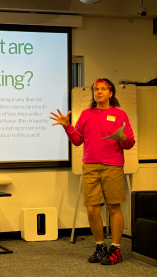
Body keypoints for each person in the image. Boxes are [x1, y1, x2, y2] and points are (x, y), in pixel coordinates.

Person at [50, 78, 135, 265]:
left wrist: (122, 139)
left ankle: (116, 249)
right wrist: (67, 126)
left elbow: (130, 142)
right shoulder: (87, 114)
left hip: (113, 166)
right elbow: (77, 140)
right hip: (90, 166)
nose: (99, 92)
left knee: (113, 207)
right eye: (96, 89)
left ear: (111, 93)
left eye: (103, 89)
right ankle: (100, 246)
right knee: (91, 210)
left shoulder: (120, 114)